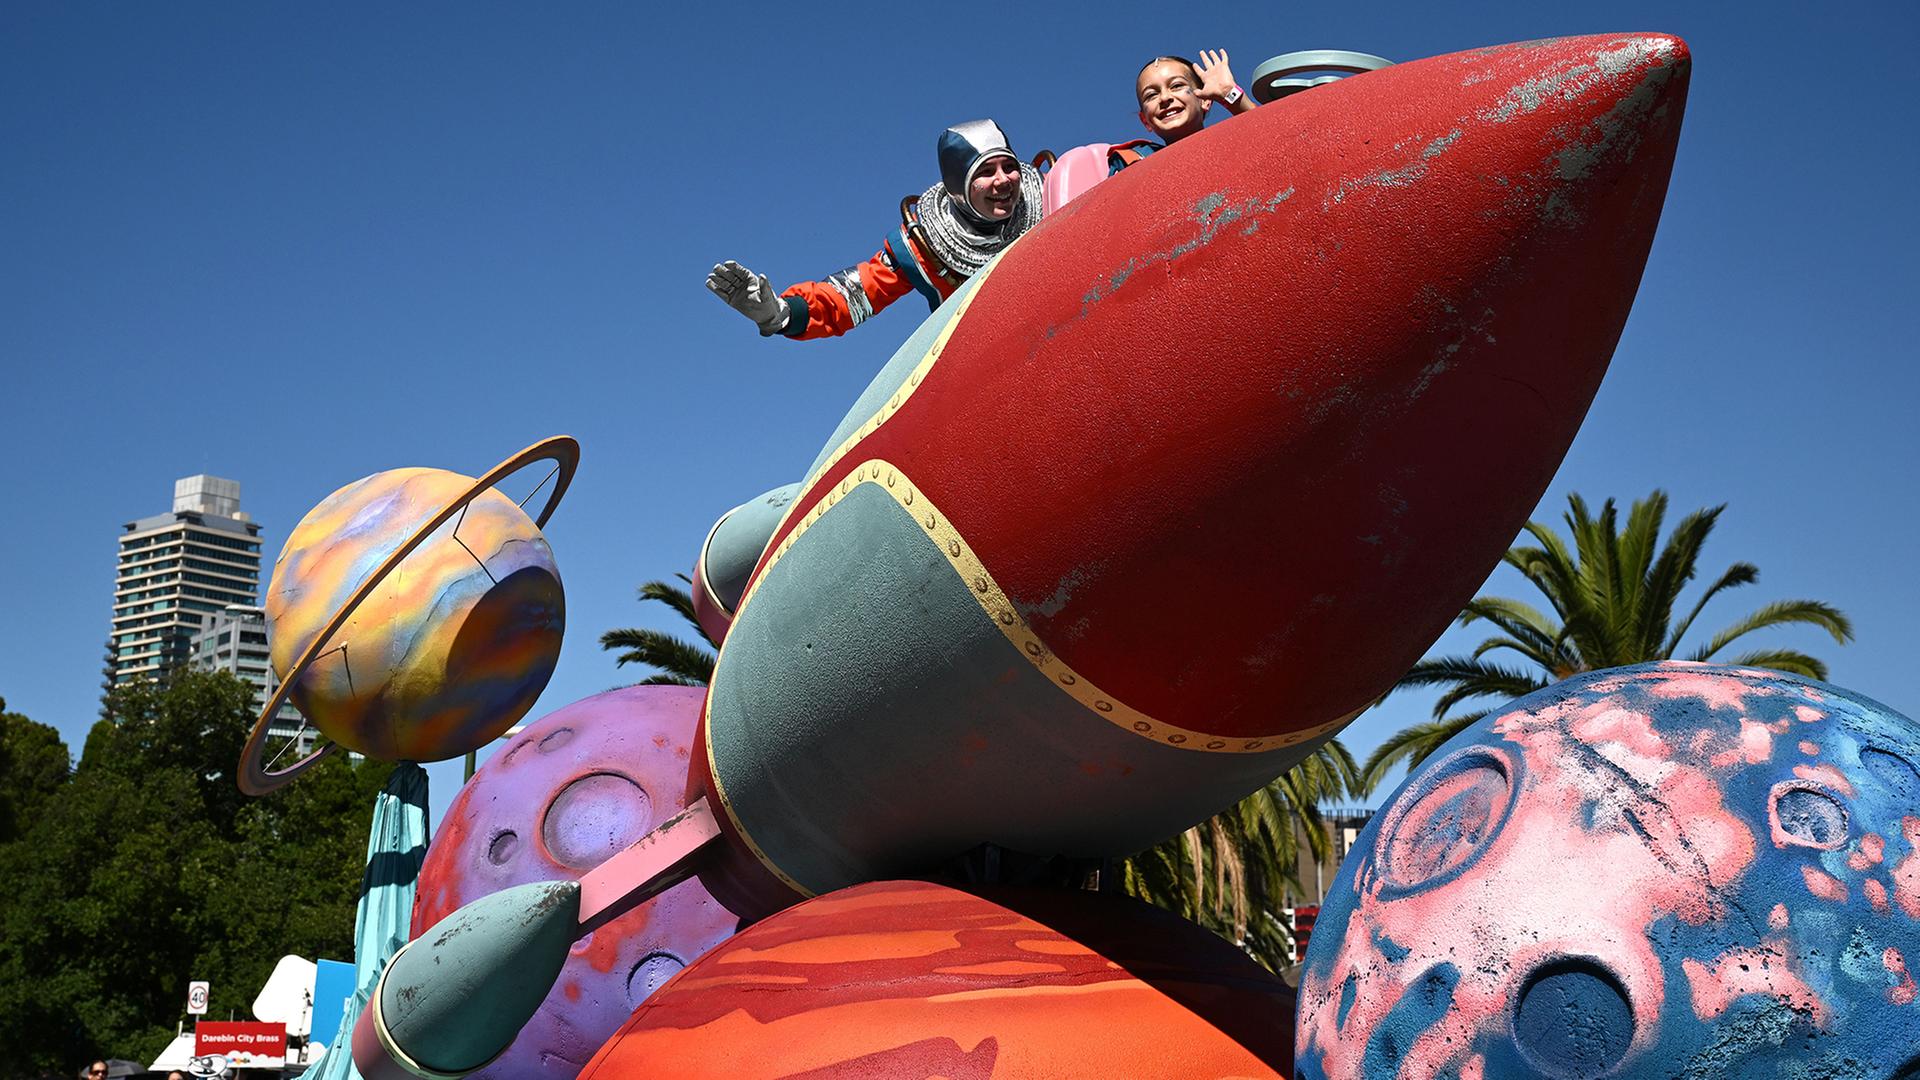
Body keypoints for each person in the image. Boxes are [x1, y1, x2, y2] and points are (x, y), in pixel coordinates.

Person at [706, 119, 1043, 340]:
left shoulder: (1057, 193)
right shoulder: (924, 249)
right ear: (957, 187)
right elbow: (851, 296)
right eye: (985, 172)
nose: (1003, 180)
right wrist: (780, 313)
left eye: (1009, 166)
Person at [1109, 49, 1258, 175]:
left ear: (1205, 100)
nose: (1165, 98)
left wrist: (1229, 93)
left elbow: (1268, 134)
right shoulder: (1132, 163)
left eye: (1176, 86)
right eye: (1151, 95)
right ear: (1145, 121)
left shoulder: (1232, 146)